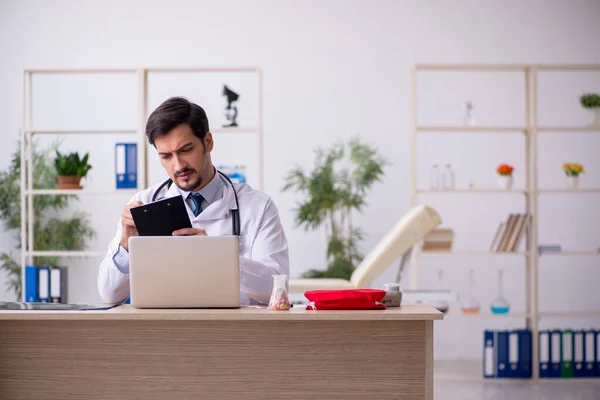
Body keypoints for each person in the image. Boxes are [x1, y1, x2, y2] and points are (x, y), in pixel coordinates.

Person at [98, 96, 289, 305]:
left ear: (208, 142)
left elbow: (277, 289)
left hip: (232, 334)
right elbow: (109, 294)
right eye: (166, 156)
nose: (178, 165)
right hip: (163, 332)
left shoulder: (258, 207)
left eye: (186, 150)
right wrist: (126, 245)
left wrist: (215, 255)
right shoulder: (143, 203)